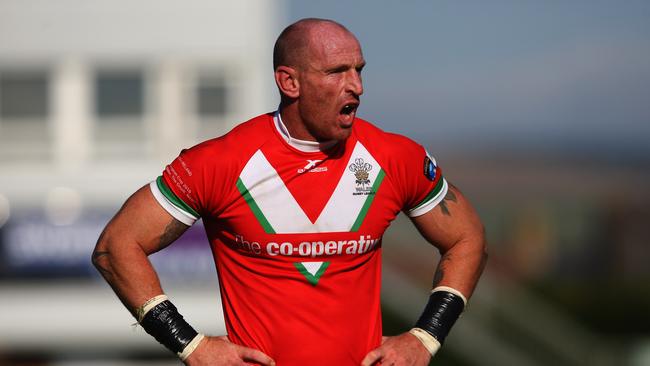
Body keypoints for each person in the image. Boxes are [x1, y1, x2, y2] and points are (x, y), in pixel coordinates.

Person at [92, 18, 487, 366]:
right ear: (289, 81)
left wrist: (425, 337)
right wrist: (191, 346)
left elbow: (467, 238)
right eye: (337, 71)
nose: (357, 86)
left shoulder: (395, 157)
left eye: (359, 70)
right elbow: (116, 246)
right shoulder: (219, 162)